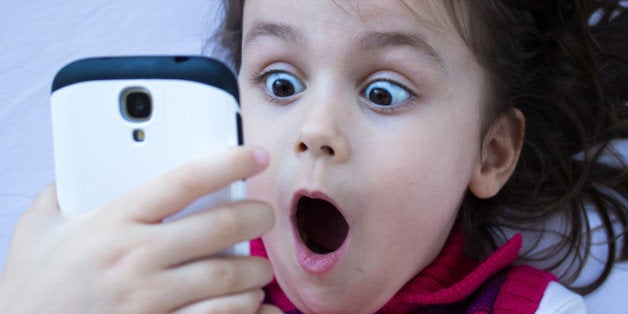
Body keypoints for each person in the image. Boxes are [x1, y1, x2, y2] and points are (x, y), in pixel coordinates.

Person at [0, 0, 626, 313]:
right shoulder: (155, 284)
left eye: (383, 92)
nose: (316, 128)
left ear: (491, 153)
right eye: (280, 84)